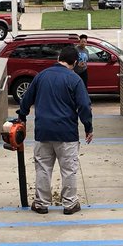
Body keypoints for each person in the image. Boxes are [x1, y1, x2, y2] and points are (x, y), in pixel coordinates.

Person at [17, 45, 93, 215]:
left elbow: (26, 99)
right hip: (66, 133)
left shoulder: (42, 76)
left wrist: (22, 116)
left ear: (59, 58)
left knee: (43, 168)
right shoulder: (74, 80)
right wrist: (88, 127)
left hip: (43, 131)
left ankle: (41, 203)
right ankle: (70, 203)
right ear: (74, 62)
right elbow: (84, 106)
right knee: (69, 170)